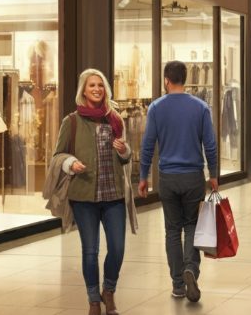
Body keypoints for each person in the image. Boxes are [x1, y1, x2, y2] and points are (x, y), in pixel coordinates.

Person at [53, 69, 134, 315]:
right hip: (84, 197)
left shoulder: (116, 119)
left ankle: (108, 290)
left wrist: (124, 151)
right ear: (83, 90)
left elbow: (126, 157)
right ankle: (93, 301)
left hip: (114, 196)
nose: (97, 89)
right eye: (92, 85)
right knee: (90, 251)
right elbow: (58, 155)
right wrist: (70, 163)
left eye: (100, 85)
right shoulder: (72, 121)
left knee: (118, 248)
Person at [138, 61, 218, 303]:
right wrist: (213, 174)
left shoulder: (156, 108)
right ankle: (190, 270)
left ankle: (177, 285)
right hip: (194, 177)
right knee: (192, 225)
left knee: (172, 230)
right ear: (185, 79)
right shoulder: (201, 107)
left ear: (166, 80)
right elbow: (210, 145)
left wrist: (143, 176)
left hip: (168, 178)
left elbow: (147, 145)